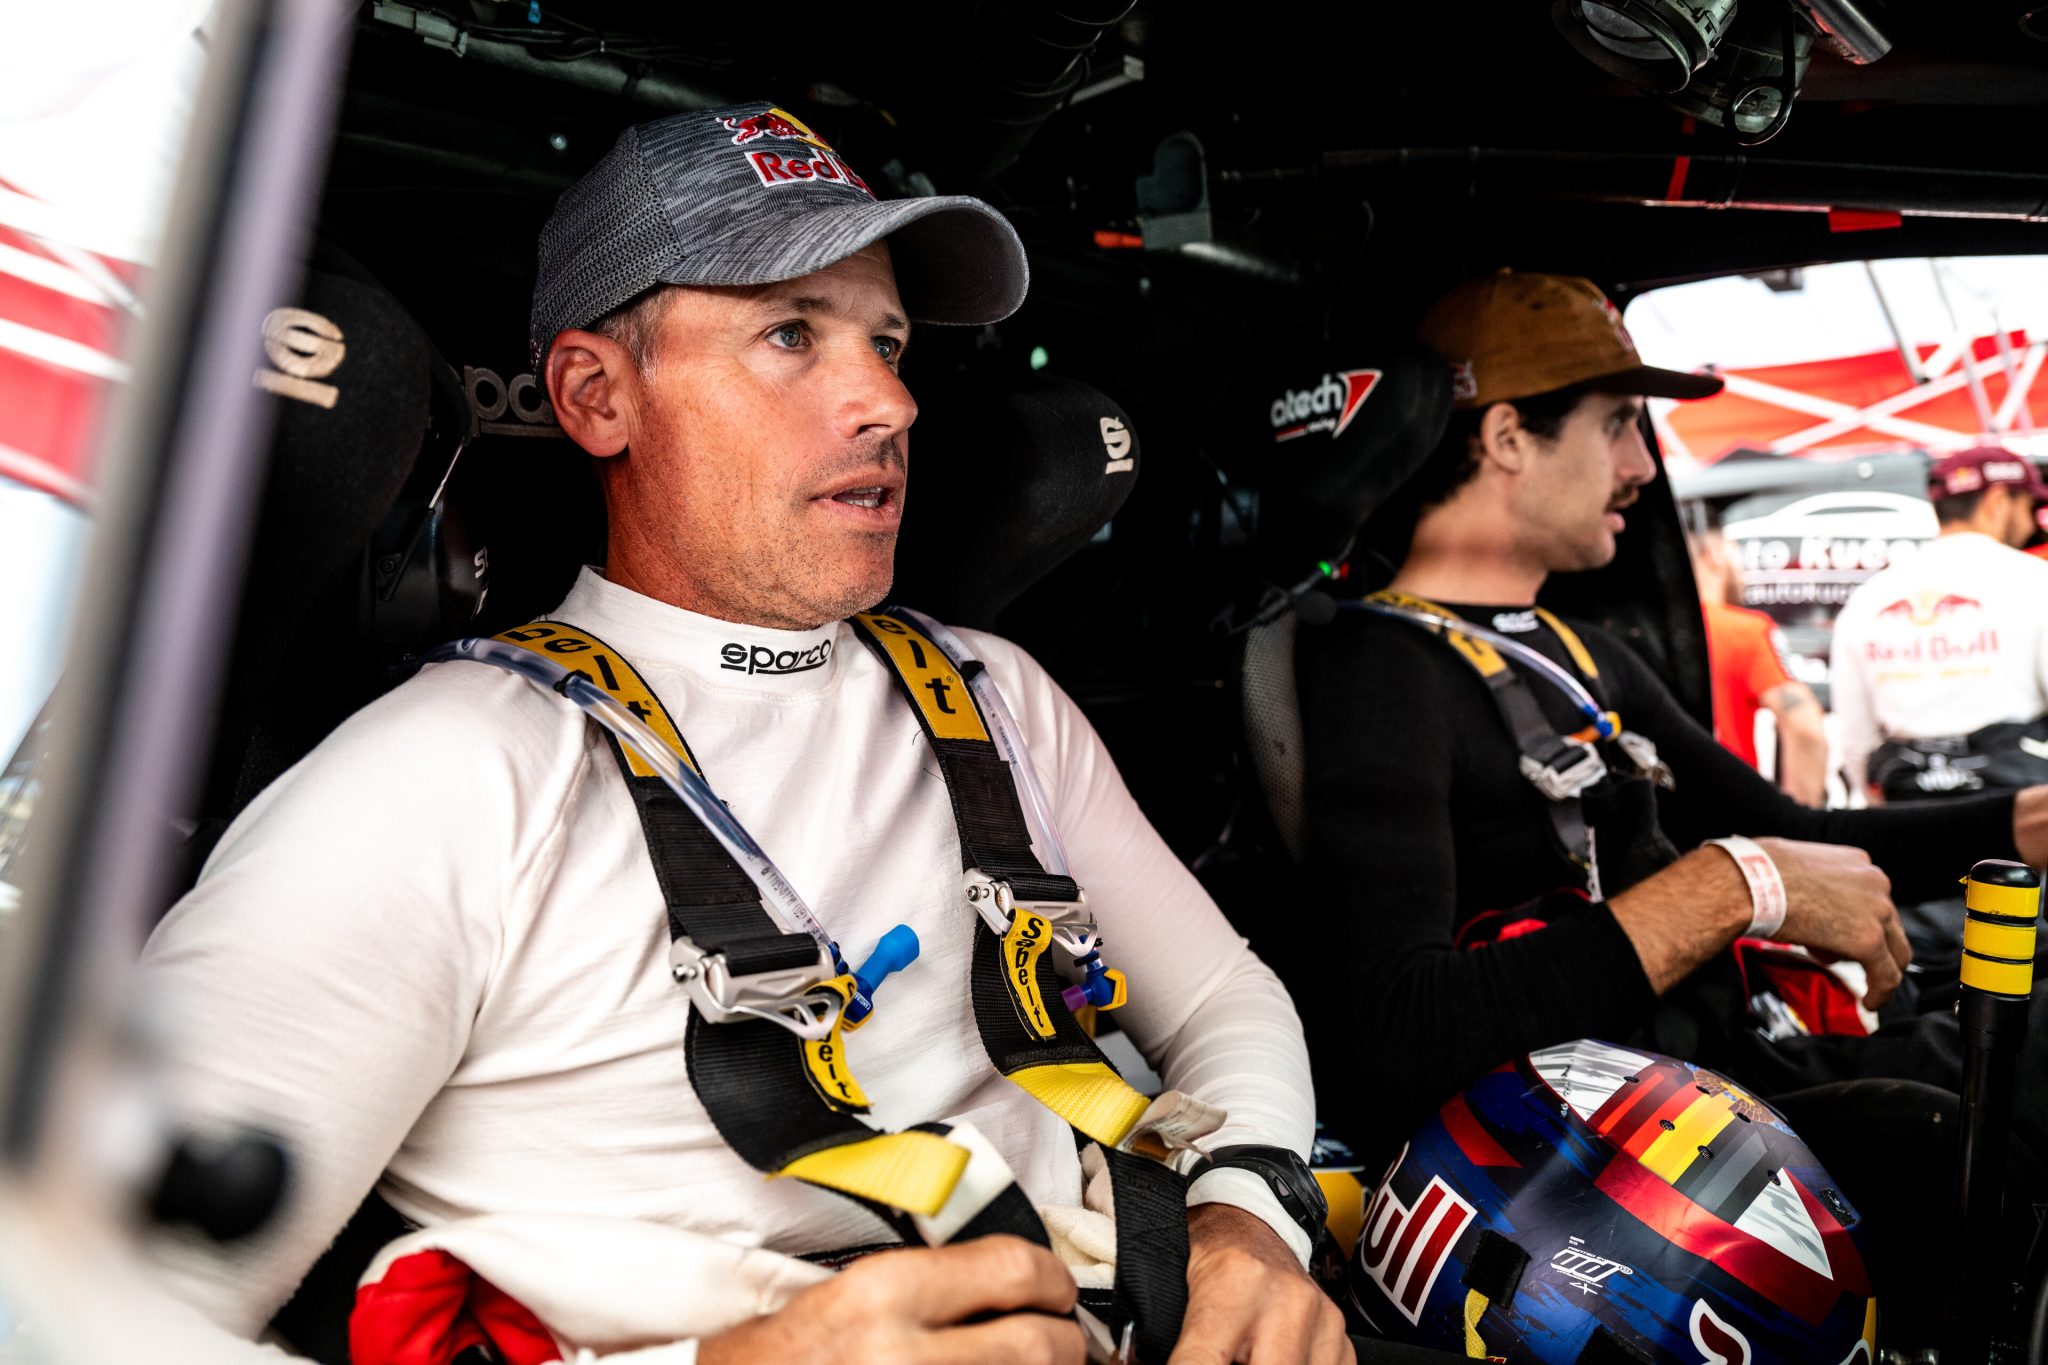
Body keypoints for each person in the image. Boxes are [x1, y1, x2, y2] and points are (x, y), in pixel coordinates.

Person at [136, 103, 1346, 1365]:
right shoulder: (442, 779)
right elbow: (78, 1302)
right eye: (788, 333)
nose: (889, 400)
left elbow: (1224, 1001)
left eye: (887, 342)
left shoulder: (994, 696)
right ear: (597, 397)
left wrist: (1245, 1225)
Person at [1294, 270, 2048, 1174]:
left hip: (1718, 1081)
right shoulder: (1380, 668)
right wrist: (1733, 886)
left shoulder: (1582, 654)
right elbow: (1400, 1032)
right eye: (1617, 423)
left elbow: (1798, 836)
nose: (1643, 467)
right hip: (1606, 1161)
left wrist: (2026, 820)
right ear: (1507, 438)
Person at [1830, 445, 2048, 804]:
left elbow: (1856, 738)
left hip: (1910, 806)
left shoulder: (1870, 597)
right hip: (2015, 807)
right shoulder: (2035, 581)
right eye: (2028, 507)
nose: (2030, 525)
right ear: (1997, 501)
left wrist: (1879, 809)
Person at [1688, 526, 1828, 805]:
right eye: (1737, 557)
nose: (1744, 574)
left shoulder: (1643, 635)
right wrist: (1796, 821)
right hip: (1730, 808)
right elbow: (1805, 730)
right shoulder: (1745, 630)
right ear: (1713, 556)